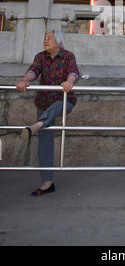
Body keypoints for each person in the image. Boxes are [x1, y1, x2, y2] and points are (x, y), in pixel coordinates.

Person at [16, 30, 80, 197]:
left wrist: (69, 82)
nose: (45, 41)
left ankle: (38, 125)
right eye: (44, 38)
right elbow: (33, 71)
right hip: (44, 102)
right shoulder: (40, 56)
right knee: (44, 142)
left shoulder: (68, 56)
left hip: (64, 100)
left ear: (59, 42)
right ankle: (47, 183)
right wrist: (25, 80)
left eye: (49, 38)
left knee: (58, 106)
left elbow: (73, 73)